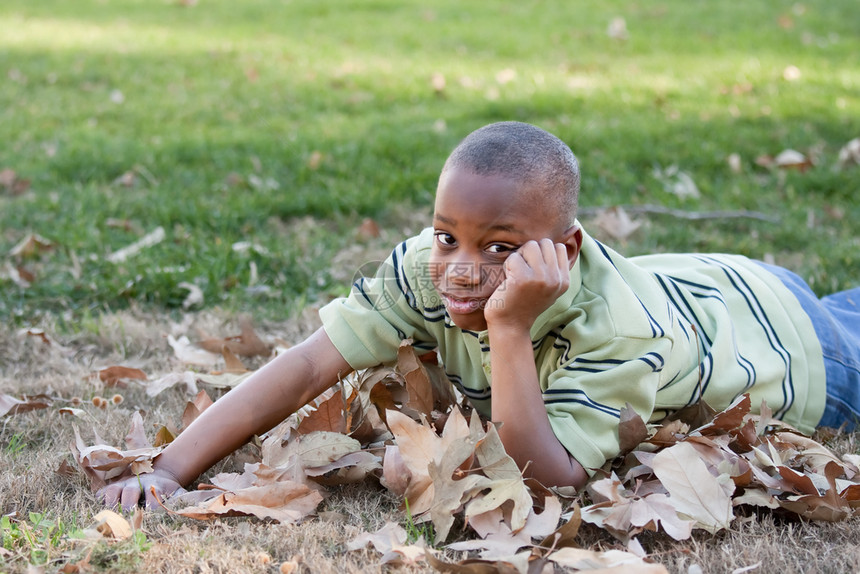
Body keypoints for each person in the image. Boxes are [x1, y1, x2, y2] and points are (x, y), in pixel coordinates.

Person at [100, 122, 860, 509]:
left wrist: (507, 328)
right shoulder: (425, 270)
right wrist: (169, 471)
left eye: (499, 246)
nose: (462, 267)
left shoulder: (616, 328)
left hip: (803, 352)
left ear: (564, 249)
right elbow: (305, 365)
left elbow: (549, 475)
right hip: (713, 286)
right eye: (446, 235)